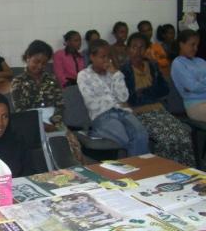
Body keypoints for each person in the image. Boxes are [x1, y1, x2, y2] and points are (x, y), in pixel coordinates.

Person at [121, 33, 195, 166]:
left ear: (147, 49)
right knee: (166, 138)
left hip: (159, 109)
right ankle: (163, 170)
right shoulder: (123, 71)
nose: (138, 51)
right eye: (134, 47)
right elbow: (130, 98)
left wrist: (144, 91)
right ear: (128, 49)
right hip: (138, 113)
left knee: (183, 134)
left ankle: (185, 173)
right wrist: (149, 91)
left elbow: (164, 90)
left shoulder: (153, 66)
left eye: (142, 47)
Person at [12, 40, 83, 163]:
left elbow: (60, 105)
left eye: (44, 63)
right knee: (47, 154)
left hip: (53, 122)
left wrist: (55, 123)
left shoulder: (51, 79)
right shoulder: (18, 82)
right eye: (36, 61)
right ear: (28, 57)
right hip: (31, 124)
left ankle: (77, 177)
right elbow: (20, 111)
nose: (39, 66)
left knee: (74, 145)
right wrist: (42, 125)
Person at [77, 39, 149, 157]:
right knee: (126, 139)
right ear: (92, 57)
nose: (107, 60)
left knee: (142, 135)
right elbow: (92, 103)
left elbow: (123, 96)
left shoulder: (113, 73)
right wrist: (115, 102)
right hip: (102, 116)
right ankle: (139, 170)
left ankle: (140, 170)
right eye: (102, 57)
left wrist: (116, 74)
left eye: (108, 56)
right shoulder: (84, 75)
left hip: (122, 112)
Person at [171, 29, 206, 122]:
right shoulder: (178, 63)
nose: (196, 49)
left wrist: (199, 80)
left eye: (197, 45)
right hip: (195, 105)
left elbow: (195, 86)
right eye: (192, 45)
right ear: (181, 44)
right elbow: (193, 87)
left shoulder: (200, 61)